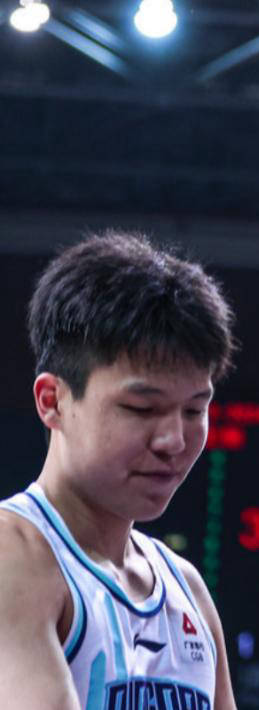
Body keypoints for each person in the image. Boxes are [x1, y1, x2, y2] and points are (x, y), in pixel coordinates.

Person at [0, 232, 238, 709]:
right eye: (141, 409)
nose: (174, 440)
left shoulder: (187, 591)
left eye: (194, 410)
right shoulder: (14, 556)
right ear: (53, 401)